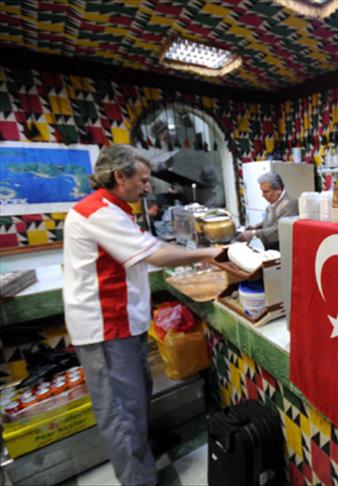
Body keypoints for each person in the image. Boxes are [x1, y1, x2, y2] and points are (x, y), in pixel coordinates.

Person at [62, 145, 220, 486]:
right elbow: (156, 254)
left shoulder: (116, 210)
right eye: (143, 180)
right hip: (105, 328)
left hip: (123, 323)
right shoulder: (97, 212)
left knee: (134, 399)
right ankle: (138, 478)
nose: (148, 187)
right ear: (120, 176)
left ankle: (141, 452)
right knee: (120, 412)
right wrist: (209, 252)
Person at [240, 171, 298, 251]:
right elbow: (269, 221)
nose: (263, 195)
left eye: (266, 191)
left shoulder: (289, 204)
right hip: (270, 249)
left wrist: (255, 233)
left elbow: (278, 230)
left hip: (282, 250)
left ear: (278, 189)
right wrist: (256, 227)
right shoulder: (274, 202)